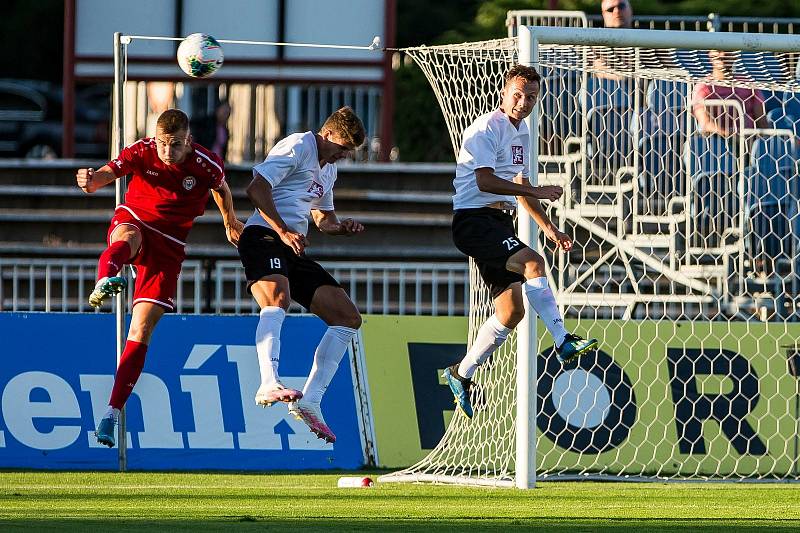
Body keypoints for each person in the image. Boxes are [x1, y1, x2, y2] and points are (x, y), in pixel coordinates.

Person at [76, 108, 244, 448]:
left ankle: (111, 413)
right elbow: (112, 170)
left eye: (176, 144)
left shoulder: (205, 163)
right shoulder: (143, 150)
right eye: (164, 143)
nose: (168, 151)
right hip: (137, 216)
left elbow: (221, 188)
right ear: (156, 138)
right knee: (126, 239)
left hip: (170, 244)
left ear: (189, 141)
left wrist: (230, 220)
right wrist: (92, 181)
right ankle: (104, 278)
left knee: (141, 330)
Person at [444, 65, 598, 419]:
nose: (523, 102)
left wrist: (549, 228)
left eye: (530, 97)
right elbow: (484, 181)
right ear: (503, 92)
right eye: (517, 94)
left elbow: (520, 186)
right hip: (473, 220)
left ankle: (461, 373)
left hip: (498, 223)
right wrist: (533, 189)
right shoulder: (485, 129)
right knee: (533, 263)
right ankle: (563, 341)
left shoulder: (523, 131)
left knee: (512, 312)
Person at [237, 106, 366, 443]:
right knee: (278, 298)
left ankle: (311, 401)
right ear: (329, 134)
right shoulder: (298, 146)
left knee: (347, 317)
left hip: (291, 246)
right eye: (342, 148)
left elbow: (323, 219)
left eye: (348, 153)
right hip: (264, 236)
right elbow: (256, 188)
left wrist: (342, 227)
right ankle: (268, 381)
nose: (342, 156)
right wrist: (282, 231)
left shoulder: (329, 171)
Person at [692, 50, 768, 137]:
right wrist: (729, 136)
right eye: (718, 51)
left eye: (728, 50)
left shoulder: (747, 84)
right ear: (710, 54)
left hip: (748, 141)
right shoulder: (704, 86)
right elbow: (705, 123)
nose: (723, 55)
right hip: (717, 142)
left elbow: (761, 120)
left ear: (735, 55)